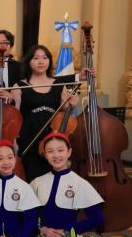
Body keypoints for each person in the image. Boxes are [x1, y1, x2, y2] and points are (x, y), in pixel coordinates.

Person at [11, 44, 84, 181]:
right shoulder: (19, 86)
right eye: (36, 58)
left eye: (45, 58)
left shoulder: (59, 85)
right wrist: (14, 143)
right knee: (31, 178)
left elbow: (64, 113)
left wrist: (72, 105)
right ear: (28, 62)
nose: (41, 61)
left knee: (53, 178)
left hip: (53, 137)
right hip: (28, 138)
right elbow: (15, 118)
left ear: (49, 61)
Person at [31, 132, 104, 237]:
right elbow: (26, 216)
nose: (56, 155)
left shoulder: (80, 183)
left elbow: (97, 218)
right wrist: (40, 229)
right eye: (50, 151)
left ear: (69, 152)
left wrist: (69, 230)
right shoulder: (37, 182)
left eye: (60, 150)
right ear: (45, 155)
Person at [0, 140, 40, 237]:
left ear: (15, 159)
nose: (6, 162)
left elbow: (30, 221)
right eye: (0, 158)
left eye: (10, 157)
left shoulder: (24, 187)